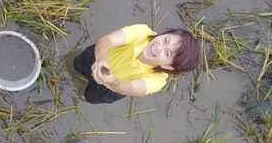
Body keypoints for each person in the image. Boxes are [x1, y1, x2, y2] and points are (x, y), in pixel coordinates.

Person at [73, 24, 201, 104]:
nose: (158, 47)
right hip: (97, 57)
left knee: (90, 97)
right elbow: (106, 41)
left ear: (168, 66)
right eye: (165, 40)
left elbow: (131, 88)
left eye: (167, 54)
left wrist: (112, 81)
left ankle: (83, 95)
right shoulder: (142, 32)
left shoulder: (157, 81)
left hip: (112, 87)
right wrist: (101, 60)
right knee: (76, 65)